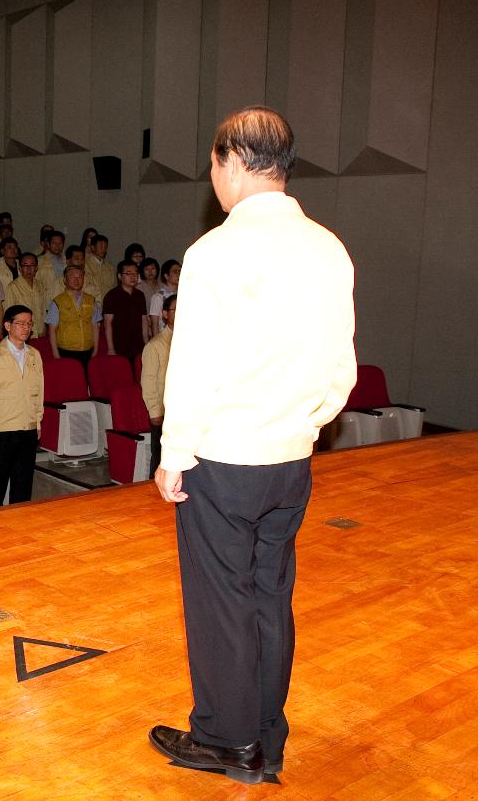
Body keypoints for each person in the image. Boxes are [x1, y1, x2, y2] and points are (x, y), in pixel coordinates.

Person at [149, 106, 357, 785]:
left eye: (212, 167)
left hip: (224, 459)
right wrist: (304, 421)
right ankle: (268, 734)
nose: (213, 180)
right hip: (291, 459)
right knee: (269, 596)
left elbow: (193, 366)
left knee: (220, 604)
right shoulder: (329, 246)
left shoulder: (216, 252)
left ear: (233, 161)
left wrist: (175, 451)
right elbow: (341, 371)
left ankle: (226, 739)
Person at [0, 306, 44, 507]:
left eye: (29, 324)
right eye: (21, 323)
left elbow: (39, 392)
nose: (26, 328)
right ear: (8, 325)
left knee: (23, 485)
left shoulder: (35, 355)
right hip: (1, 430)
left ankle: (21, 527)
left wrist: (37, 422)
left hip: (27, 427)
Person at [141, 294, 176, 478]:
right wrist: (155, 411)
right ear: (164, 314)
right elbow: (148, 380)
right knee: (161, 459)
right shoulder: (155, 345)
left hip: (186, 411)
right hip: (164, 411)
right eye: (175, 310)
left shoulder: (193, 342)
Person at [46, 264, 100, 370]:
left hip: (87, 350)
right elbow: (52, 330)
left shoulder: (91, 300)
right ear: (65, 280)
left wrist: (96, 349)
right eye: (72, 277)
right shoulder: (57, 302)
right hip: (66, 351)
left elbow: (95, 326)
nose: (77, 280)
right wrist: (56, 355)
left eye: (80, 277)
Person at [103, 260, 151, 363]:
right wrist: (111, 349)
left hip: (138, 344)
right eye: (128, 273)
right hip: (119, 345)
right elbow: (107, 323)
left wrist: (146, 343)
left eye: (135, 273)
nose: (133, 276)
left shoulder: (140, 295)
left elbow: (144, 320)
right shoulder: (111, 295)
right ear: (120, 276)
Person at [5, 253, 52, 339]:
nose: (29, 268)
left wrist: (45, 328)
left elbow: (44, 309)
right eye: (25, 265)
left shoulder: (40, 285)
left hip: (41, 332)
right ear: (20, 268)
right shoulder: (13, 286)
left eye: (32, 265)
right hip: (22, 333)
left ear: (36, 268)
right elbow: (9, 313)